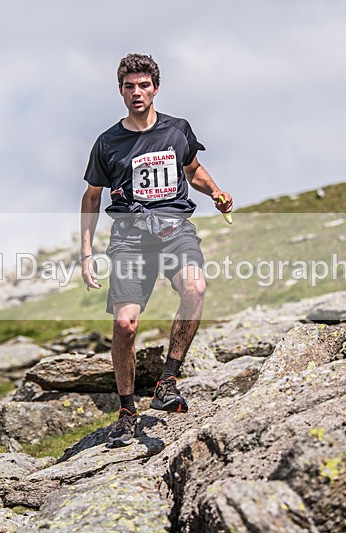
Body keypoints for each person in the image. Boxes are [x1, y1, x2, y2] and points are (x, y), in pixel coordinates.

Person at [80, 53, 232, 447]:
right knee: (125, 324)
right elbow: (92, 197)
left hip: (174, 230)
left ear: (155, 88)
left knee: (195, 289)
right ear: (120, 91)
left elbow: (192, 169)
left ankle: (168, 381)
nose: (136, 92)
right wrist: (85, 253)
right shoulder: (107, 143)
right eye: (129, 86)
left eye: (143, 85)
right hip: (130, 239)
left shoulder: (177, 130)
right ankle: (127, 410)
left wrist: (215, 191)